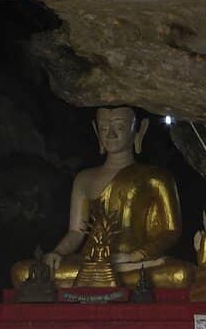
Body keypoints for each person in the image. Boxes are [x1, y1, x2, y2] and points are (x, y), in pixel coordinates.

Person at [11, 106, 195, 290]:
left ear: (139, 130)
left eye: (120, 127)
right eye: (104, 128)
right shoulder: (84, 178)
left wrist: (136, 256)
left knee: (180, 274)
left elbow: (170, 231)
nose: (111, 135)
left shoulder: (156, 177)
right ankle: (102, 278)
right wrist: (58, 252)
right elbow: (77, 231)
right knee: (24, 272)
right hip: (90, 262)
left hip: (133, 262)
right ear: (96, 131)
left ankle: (106, 278)